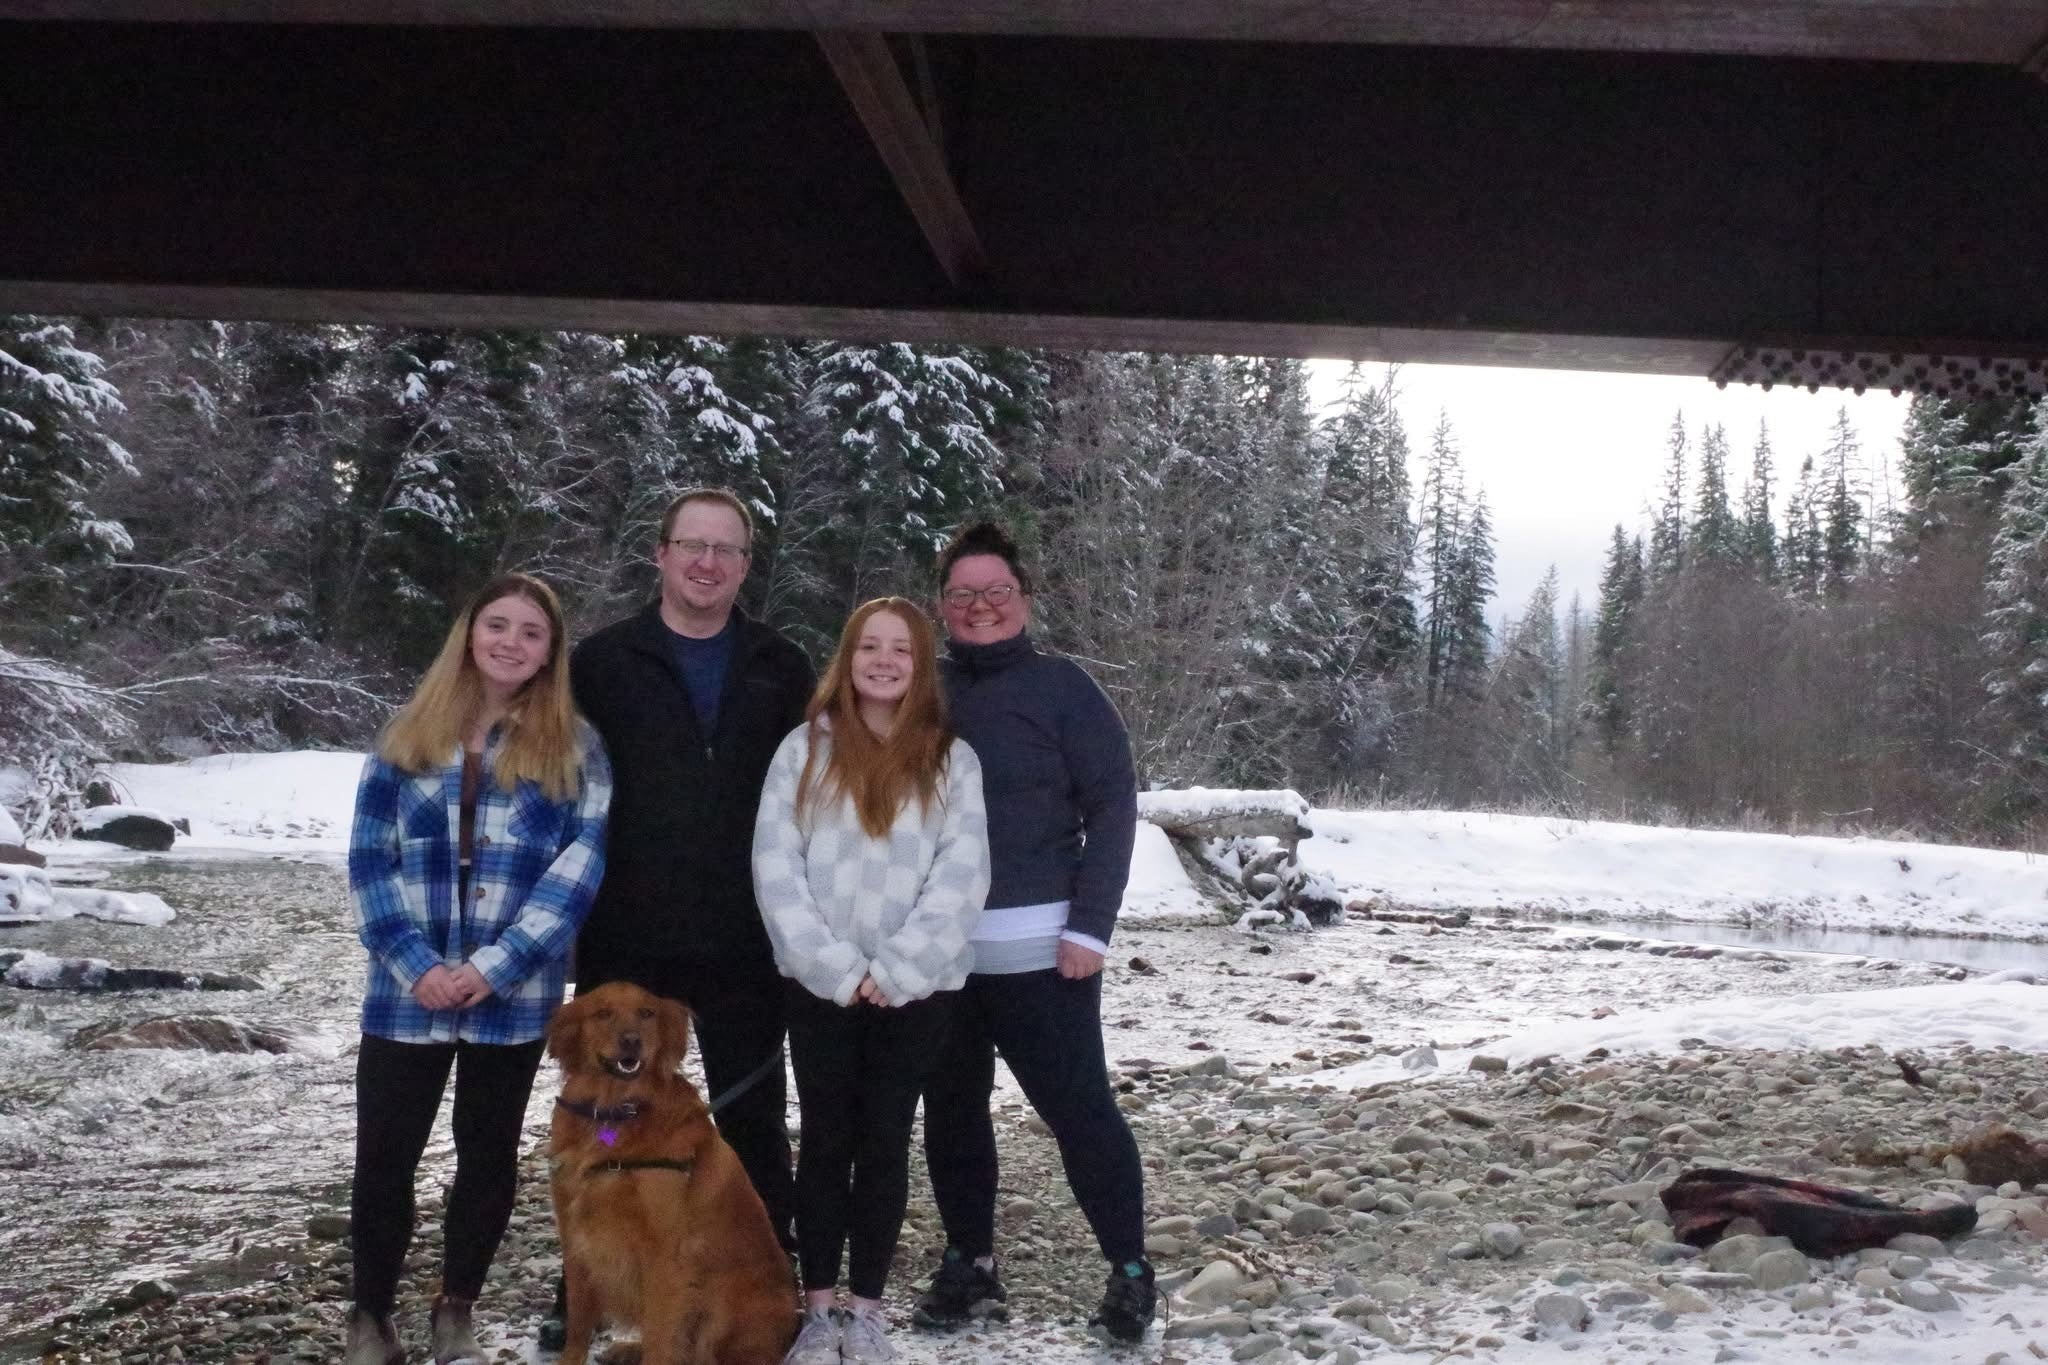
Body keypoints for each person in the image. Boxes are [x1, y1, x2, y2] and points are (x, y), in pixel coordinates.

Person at [344, 572, 611, 1365]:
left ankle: (457, 1304)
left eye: (532, 633)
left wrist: (494, 965)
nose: (511, 642)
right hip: (404, 990)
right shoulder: (405, 736)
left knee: (487, 1151)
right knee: (385, 1153)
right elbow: (368, 861)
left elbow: (579, 868)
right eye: (498, 625)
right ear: (469, 632)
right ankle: (370, 1314)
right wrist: (415, 962)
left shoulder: (575, 748)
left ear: (550, 651)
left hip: (513, 992)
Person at [912, 521, 1158, 1343]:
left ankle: (1128, 1269)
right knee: (951, 1111)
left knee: (1079, 1109)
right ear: (942, 607)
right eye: (963, 595)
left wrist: (1091, 925)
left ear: (1023, 600)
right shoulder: (920, 689)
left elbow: (1113, 805)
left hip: (1045, 950)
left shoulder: (1064, 690)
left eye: (996, 593)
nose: (981, 607)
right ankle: (970, 1263)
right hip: (942, 951)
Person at [563, 487, 815, 1238]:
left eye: (726, 550)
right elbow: (561, 785)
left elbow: (812, 792)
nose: (708, 562)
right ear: (662, 553)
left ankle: (766, 1266)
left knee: (753, 1119)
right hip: (628, 938)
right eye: (693, 546)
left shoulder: (781, 664)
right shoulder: (603, 662)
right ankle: (588, 1285)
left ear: (745, 566)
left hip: (746, 936)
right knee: (608, 1113)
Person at [753, 598, 991, 1365]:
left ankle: (868, 1307)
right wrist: (834, 967)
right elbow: (774, 864)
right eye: (870, 647)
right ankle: (818, 1310)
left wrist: (896, 970)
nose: (885, 661)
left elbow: (963, 875)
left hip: (915, 990)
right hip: (820, 985)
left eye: (902, 650)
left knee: (887, 1139)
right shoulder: (804, 751)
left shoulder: (951, 758)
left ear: (922, 666)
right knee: (824, 1138)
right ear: (847, 657)